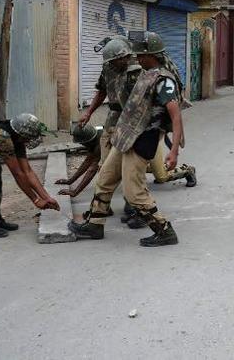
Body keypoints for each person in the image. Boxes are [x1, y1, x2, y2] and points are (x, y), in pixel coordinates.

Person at [69, 31, 186, 247]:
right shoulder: (145, 72)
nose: (137, 59)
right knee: (104, 179)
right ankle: (95, 224)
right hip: (124, 135)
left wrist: (174, 150)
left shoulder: (163, 80)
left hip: (142, 139)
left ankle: (164, 230)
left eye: (140, 55)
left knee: (133, 192)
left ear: (150, 54)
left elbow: (175, 114)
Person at [55, 124, 102, 198]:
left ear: (88, 141)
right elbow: (87, 161)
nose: (82, 145)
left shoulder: (99, 145)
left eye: (82, 143)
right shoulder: (94, 137)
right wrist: (70, 181)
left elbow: (92, 170)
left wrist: (75, 192)